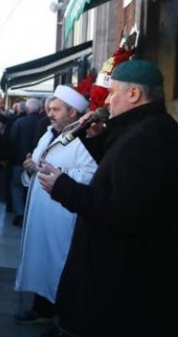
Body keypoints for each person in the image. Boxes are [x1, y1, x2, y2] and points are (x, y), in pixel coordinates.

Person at [38, 60, 178, 337]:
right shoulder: (141, 129)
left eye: (113, 93)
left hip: (123, 275)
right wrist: (96, 140)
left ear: (134, 94)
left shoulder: (149, 136)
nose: (108, 100)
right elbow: (121, 175)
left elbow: (128, 211)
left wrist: (64, 188)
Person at [13, 86, 97, 328]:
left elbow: (92, 174)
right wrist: (32, 166)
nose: (50, 113)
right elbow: (40, 164)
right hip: (42, 212)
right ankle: (42, 309)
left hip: (62, 214)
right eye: (49, 108)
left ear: (73, 113)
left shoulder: (84, 140)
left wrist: (60, 176)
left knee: (58, 263)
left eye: (56, 109)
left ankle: (61, 317)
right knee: (42, 259)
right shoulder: (48, 133)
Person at [8, 97, 44, 226]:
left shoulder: (19, 122)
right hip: (40, 163)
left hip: (20, 161)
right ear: (40, 109)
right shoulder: (45, 122)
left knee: (17, 187)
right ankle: (31, 214)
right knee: (34, 188)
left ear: (27, 109)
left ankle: (20, 214)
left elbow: (12, 141)